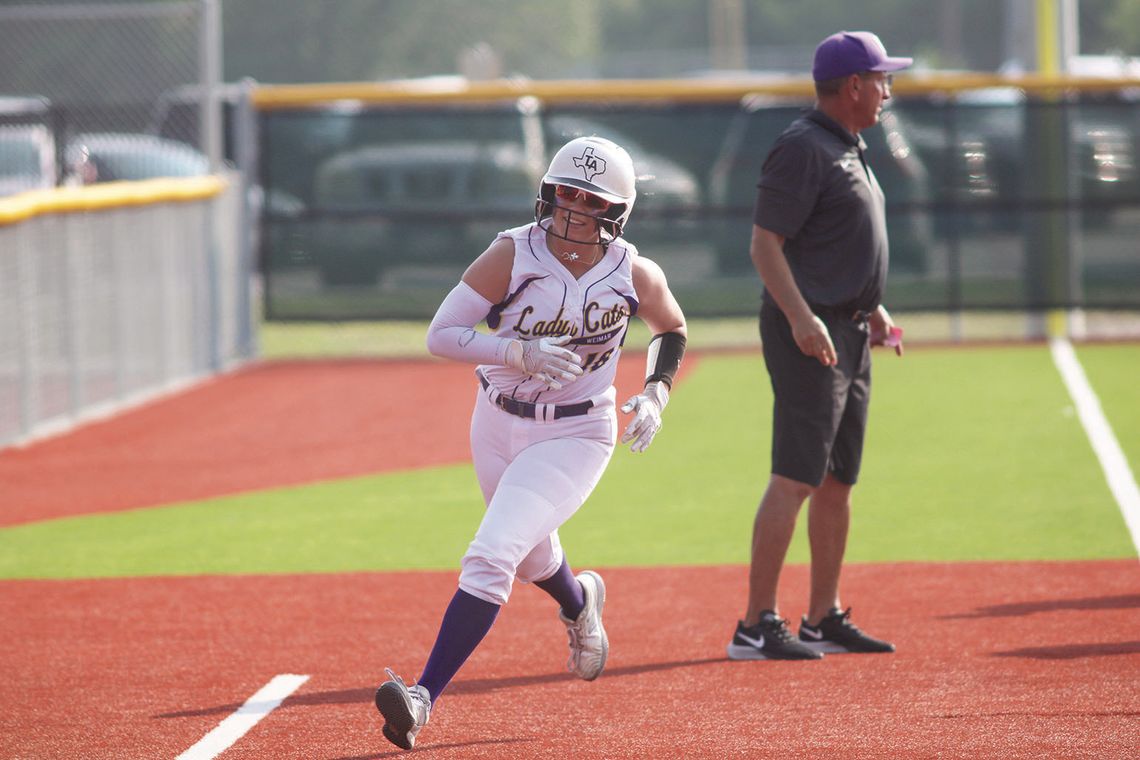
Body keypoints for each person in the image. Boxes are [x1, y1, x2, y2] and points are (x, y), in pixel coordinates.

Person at [375, 135, 688, 750]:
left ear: (616, 211)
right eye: (566, 192)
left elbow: (671, 328)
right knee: (526, 556)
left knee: (491, 554)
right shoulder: (511, 254)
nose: (573, 208)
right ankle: (578, 602)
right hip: (495, 420)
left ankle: (421, 698)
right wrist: (514, 350)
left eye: (591, 198)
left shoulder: (631, 270)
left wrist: (656, 393)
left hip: (577, 429)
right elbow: (441, 334)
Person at [726, 31, 910, 662]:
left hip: (850, 329)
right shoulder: (804, 147)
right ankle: (755, 624)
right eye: (883, 79)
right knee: (795, 478)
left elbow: (832, 241)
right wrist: (803, 317)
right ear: (853, 86)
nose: (889, 90)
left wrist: (872, 308)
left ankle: (822, 615)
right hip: (811, 332)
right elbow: (765, 245)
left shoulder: (847, 146)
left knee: (837, 482)